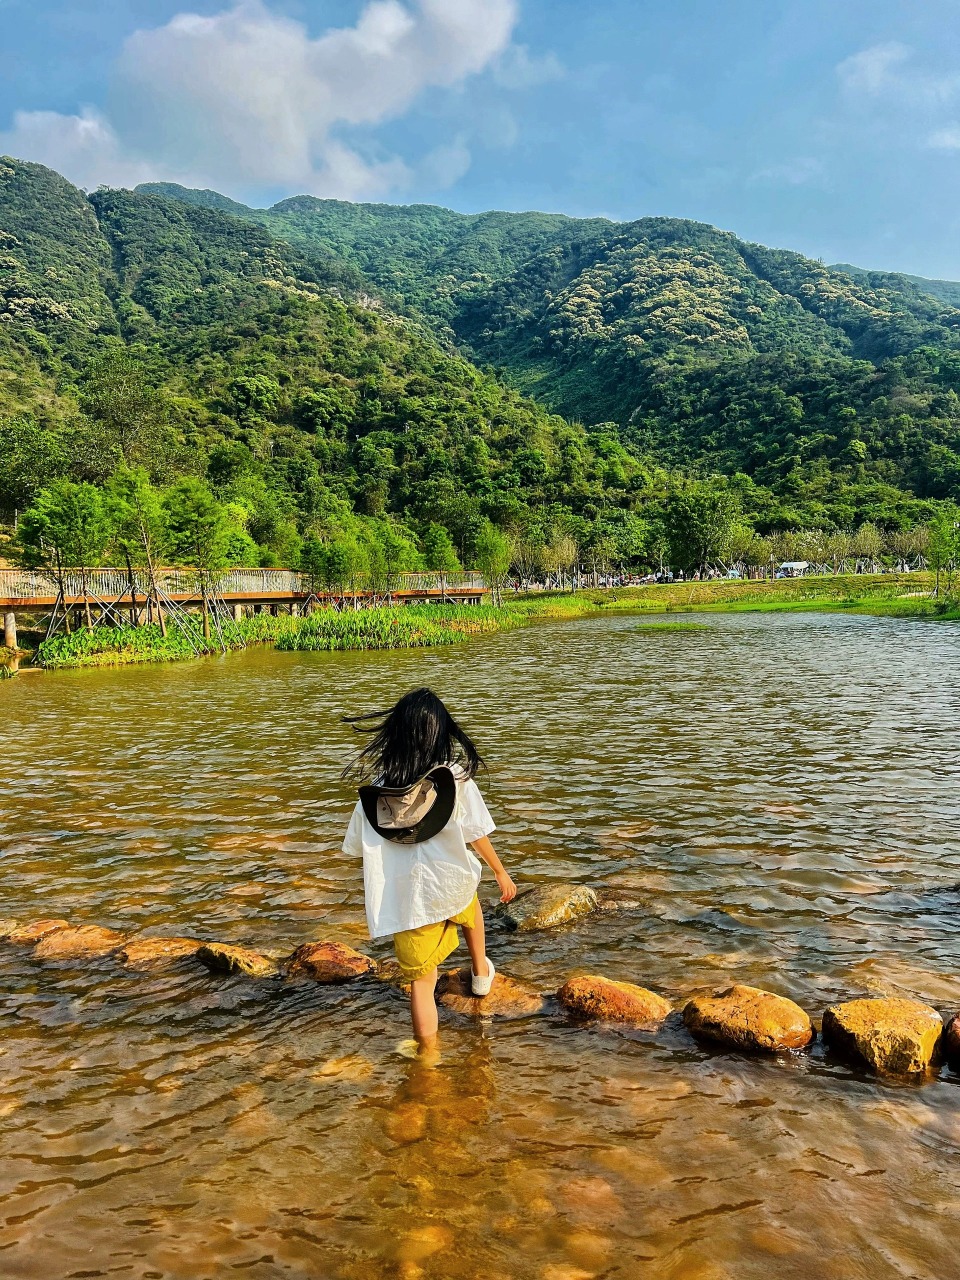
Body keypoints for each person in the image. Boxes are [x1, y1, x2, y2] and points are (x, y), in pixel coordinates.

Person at [341, 687, 517, 1053]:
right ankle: (481, 974)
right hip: (451, 885)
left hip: (410, 907)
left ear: (394, 734)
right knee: (472, 911)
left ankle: (428, 1061)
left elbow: (356, 848)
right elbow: (476, 833)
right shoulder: (454, 778)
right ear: (441, 733)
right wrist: (500, 871)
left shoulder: (375, 793)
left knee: (422, 985)